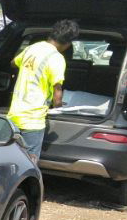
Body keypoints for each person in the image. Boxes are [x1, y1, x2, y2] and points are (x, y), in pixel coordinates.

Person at [8, 19, 79, 162]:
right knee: (29, 162)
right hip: (33, 120)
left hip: (13, 115)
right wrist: (58, 106)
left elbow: (13, 63)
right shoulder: (57, 58)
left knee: (10, 157)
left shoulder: (33, 48)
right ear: (68, 43)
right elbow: (57, 89)